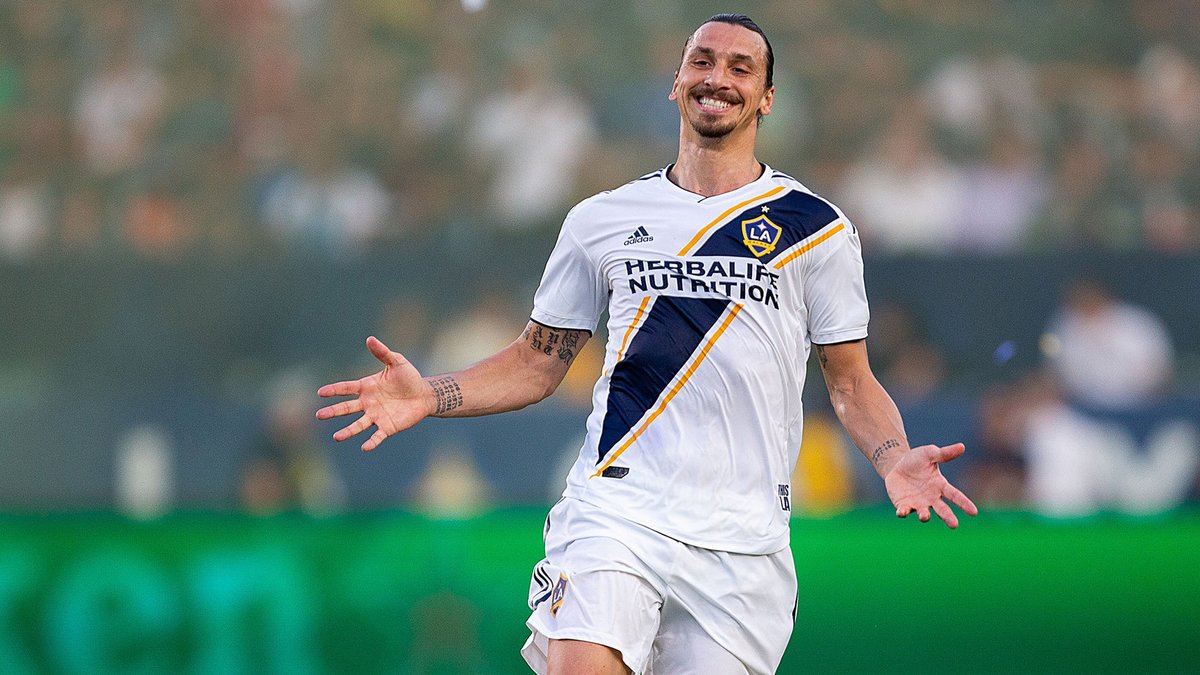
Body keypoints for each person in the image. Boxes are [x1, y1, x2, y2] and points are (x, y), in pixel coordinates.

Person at [316, 14, 977, 674]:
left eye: (741, 67)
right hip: (617, 511)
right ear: (676, 82)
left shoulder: (817, 228)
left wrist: (893, 459)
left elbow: (850, 382)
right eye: (702, 61)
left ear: (767, 98)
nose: (717, 77)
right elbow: (536, 363)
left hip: (742, 544)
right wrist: (429, 394)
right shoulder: (600, 219)